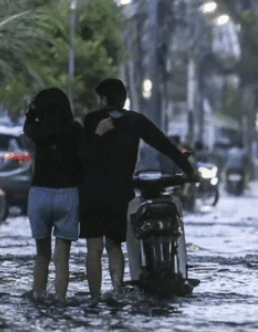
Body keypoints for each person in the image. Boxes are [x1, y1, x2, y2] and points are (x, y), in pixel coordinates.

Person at [79, 78, 199, 300]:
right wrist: (189, 170)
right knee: (114, 245)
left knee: (94, 248)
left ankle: (94, 298)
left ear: (103, 99)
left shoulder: (92, 119)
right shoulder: (136, 120)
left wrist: (97, 135)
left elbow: (83, 156)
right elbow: (163, 144)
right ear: (123, 99)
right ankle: (117, 291)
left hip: (92, 193)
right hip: (120, 193)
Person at [22, 87, 85, 301]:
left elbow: (27, 128)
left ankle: (39, 293)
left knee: (42, 254)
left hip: (39, 193)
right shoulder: (75, 129)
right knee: (62, 257)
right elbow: (83, 160)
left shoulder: (39, 129)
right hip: (67, 194)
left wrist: (31, 112)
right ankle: (60, 298)